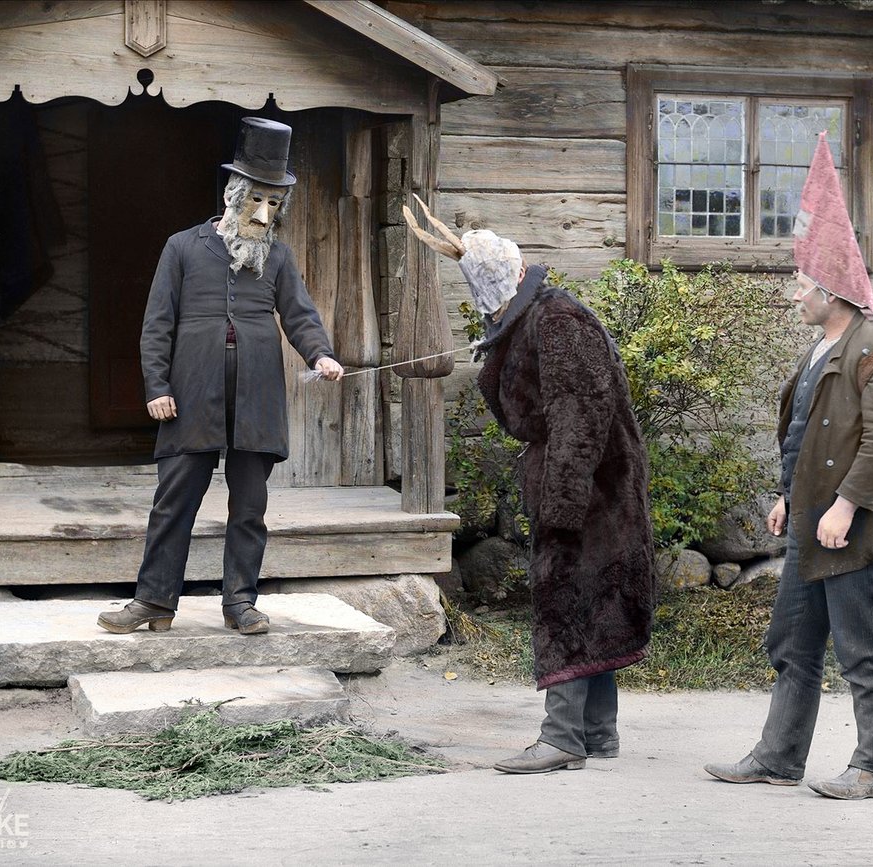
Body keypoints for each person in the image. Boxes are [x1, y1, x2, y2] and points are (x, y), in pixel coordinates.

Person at [404, 197, 655, 773]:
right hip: (585, 482)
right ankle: (597, 730)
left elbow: (580, 414)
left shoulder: (559, 320)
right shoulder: (532, 319)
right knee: (593, 593)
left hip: (591, 488)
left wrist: (562, 506)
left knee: (567, 592)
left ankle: (562, 736)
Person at [704, 132, 873, 800]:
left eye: (802, 283)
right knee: (793, 641)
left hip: (850, 527)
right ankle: (778, 756)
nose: (795, 295)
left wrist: (845, 505)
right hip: (810, 524)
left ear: (829, 287)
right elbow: (804, 432)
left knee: (863, 647)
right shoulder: (820, 349)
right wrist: (788, 497)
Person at [98, 117, 343, 636]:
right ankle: (154, 603)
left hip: (257, 397)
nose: (263, 213)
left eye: (274, 204)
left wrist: (319, 355)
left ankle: (241, 604)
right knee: (174, 502)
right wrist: (157, 387)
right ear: (234, 195)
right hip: (190, 395)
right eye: (256, 200)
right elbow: (156, 323)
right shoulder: (182, 247)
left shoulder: (277, 256)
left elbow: (299, 314)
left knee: (250, 507)